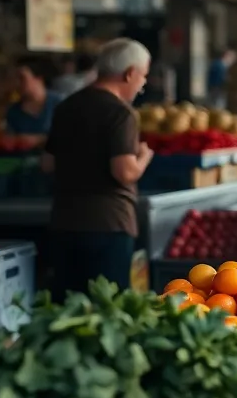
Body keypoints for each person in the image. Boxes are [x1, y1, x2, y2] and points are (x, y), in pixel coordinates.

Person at [42, 38, 153, 298]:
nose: (143, 85)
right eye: (143, 77)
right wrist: (145, 156)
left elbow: (47, 163)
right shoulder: (120, 113)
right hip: (108, 225)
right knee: (108, 311)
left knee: (67, 311)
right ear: (129, 74)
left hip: (64, 222)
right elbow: (124, 172)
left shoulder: (66, 106)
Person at [7, 57, 61, 143]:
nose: (17, 83)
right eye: (15, 79)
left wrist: (38, 140)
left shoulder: (60, 104)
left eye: (22, 78)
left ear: (38, 78)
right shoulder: (13, 112)